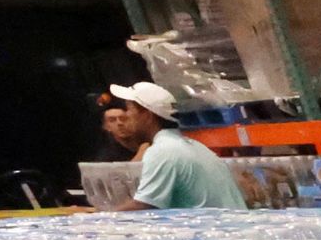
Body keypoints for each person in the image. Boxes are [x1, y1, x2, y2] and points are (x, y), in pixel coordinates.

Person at [98, 81, 245, 210]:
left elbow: (143, 207)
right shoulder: (192, 145)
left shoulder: (162, 151)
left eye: (130, 110)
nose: (127, 116)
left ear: (148, 115)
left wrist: (96, 218)